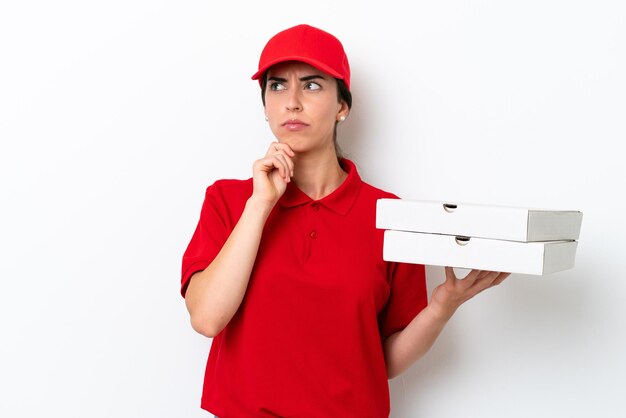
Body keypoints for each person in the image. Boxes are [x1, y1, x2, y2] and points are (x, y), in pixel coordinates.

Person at [181, 24, 509, 418]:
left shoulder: (389, 216)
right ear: (265, 104)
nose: (293, 102)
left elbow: (381, 361)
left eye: (313, 85)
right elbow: (207, 318)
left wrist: (442, 307)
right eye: (277, 86)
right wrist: (260, 204)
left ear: (342, 105)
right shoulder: (229, 201)